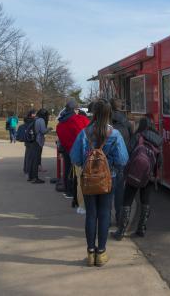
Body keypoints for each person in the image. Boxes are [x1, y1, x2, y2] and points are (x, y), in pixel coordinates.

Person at [70, 99, 128, 267]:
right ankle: (101, 253)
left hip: (88, 180)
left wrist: (88, 163)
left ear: (94, 113)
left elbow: (75, 158)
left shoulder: (84, 133)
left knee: (91, 214)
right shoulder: (114, 134)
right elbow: (123, 160)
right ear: (109, 114)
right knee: (104, 214)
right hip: (109, 179)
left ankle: (90, 254)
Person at [114, 117, 162, 241]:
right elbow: (159, 161)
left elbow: (128, 152)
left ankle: (121, 231)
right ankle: (141, 229)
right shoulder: (158, 139)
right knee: (145, 201)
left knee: (127, 200)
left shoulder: (138, 136)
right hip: (149, 175)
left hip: (135, 174)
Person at [56, 99, 90, 201]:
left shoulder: (60, 123)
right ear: (75, 109)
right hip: (79, 150)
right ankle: (76, 192)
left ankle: (68, 190)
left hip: (66, 149)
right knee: (78, 172)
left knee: (67, 169)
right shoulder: (79, 119)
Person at [110, 98, 133, 224]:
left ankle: (106, 219)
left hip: (108, 161)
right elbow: (131, 140)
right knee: (119, 190)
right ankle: (119, 218)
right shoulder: (127, 122)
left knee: (107, 191)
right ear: (120, 107)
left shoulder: (106, 121)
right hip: (122, 160)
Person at [35, 108, 52, 176]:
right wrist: (49, 129)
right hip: (39, 139)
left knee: (37, 154)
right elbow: (43, 131)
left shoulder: (36, 119)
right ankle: (39, 167)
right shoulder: (41, 120)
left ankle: (38, 167)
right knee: (38, 154)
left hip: (35, 139)